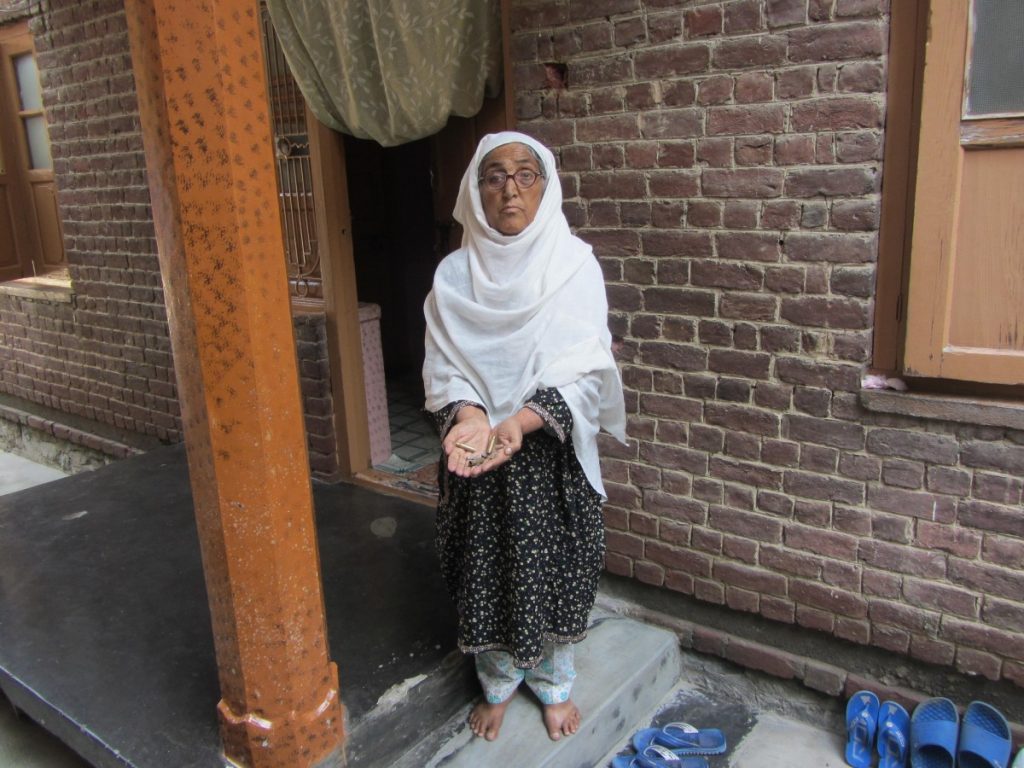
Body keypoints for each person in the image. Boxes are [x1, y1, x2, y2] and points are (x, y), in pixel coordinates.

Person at [422, 131, 627, 742]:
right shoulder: (453, 277)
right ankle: (497, 686)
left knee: (555, 573)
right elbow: (443, 366)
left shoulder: (573, 265)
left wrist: (520, 420)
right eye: (494, 176)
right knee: (485, 574)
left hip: (546, 456)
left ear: (546, 186)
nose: (509, 189)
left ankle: (554, 686)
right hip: (479, 460)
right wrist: (470, 415)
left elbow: (587, 371)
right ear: (475, 192)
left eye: (525, 175)